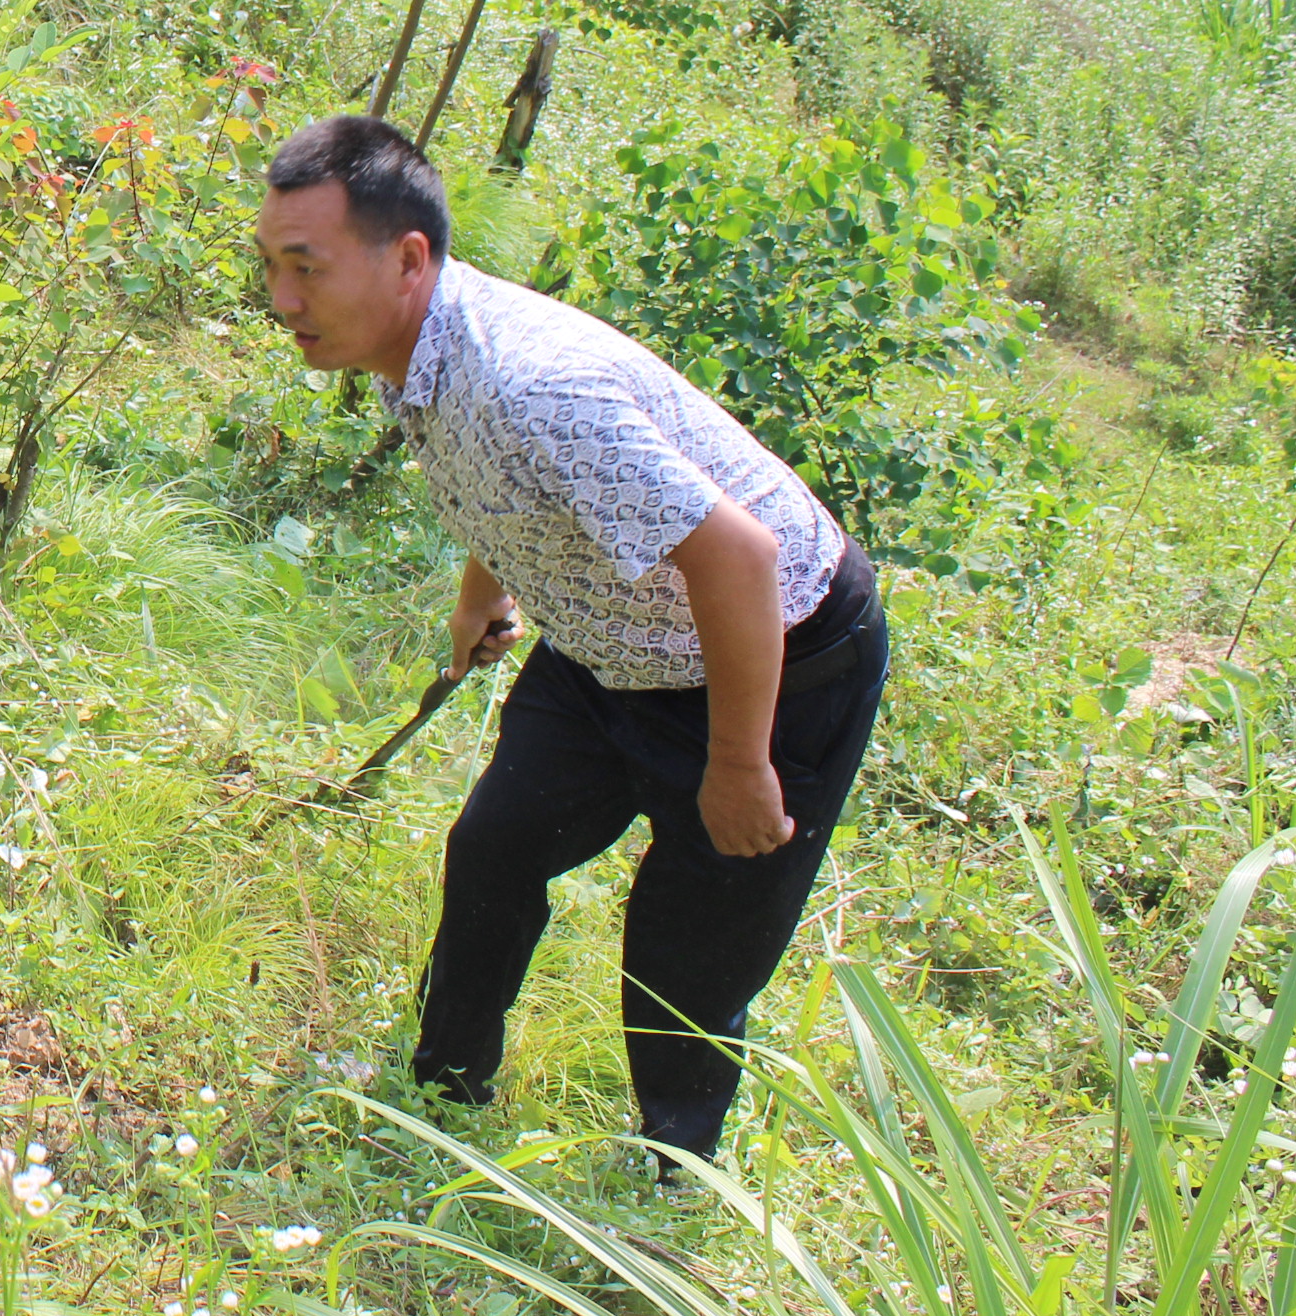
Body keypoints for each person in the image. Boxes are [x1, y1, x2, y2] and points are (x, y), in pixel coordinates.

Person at [252, 114, 888, 1163]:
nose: (282, 301)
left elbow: (738, 558)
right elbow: (496, 480)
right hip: (609, 651)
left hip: (775, 656)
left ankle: (669, 1184)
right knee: (494, 849)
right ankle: (444, 1097)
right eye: (271, 266)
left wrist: (738, 761)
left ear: (409, 260)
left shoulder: (533, 385)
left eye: (305, 269)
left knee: (688, 956)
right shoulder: (406, 341)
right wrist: (479, 593)